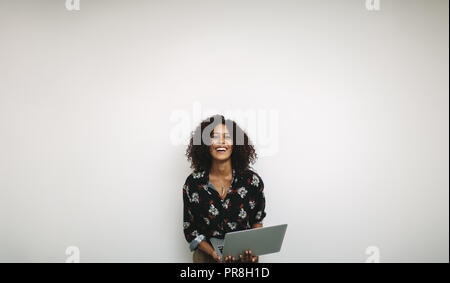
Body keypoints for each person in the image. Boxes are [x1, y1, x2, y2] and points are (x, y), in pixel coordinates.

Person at [183, 114, 266, 263]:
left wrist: (255, 249)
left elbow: (257, 220)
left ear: (235, 144)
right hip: (206, 258)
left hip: (243, 258)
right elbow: (190, 229)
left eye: (227, 137)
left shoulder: (251, 181)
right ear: (206, 144)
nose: (221, 141)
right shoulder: (193, 184)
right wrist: (213, 253)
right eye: (214, 137)